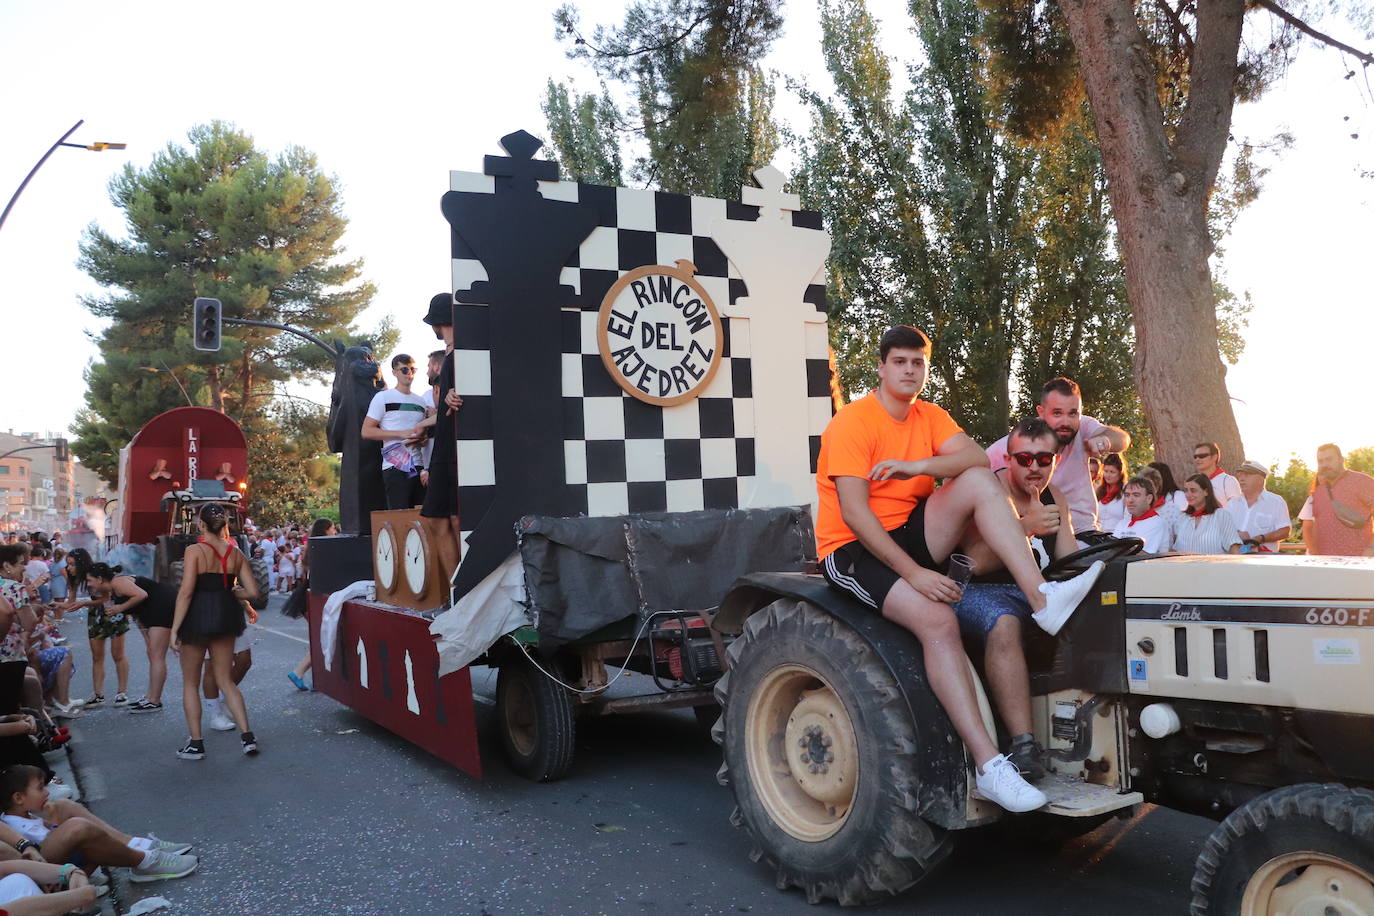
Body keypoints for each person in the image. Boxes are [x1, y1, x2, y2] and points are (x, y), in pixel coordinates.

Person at [816, 326, 1106, 813]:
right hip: (855, 548)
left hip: (911, 527)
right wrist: (914, 574)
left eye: (918, 363)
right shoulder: (852, 422)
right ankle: (992, 765)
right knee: (938, 619)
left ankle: (1043, 598)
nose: (911, 371)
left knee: (974, 478)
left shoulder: (929, 415)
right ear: (883, 367)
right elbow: (855, 513)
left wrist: (918, 468)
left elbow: (974, 457)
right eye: (901, 362)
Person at [949, 417, 1081, 781]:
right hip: (978, 591)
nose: (1034, 467)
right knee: (1003, 621)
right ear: (1008, 459)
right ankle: (1023, 745)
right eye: (1024, 459)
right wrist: (1025, 526)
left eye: (1044, 459)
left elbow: (1068, 561)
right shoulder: (991, 491)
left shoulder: (1057, 497)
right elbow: (972, 561)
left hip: (1036, 592)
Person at [170, 504, 261, 759]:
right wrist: (233, 592)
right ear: (225, 525)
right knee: (225, 679)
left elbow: (186, 591)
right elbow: (252, 592)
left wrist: (174, 629)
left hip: (197, 617)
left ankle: (196, 744)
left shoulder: (194, 551)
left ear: (201, 525)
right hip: (226, 616)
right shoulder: (236, 553)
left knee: (190, 682)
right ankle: (247, 737)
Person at [0, 765, 195, 883]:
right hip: (37, 868)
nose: (47, 792)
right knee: (78, 826)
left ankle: (137, 845)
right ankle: (144, 861)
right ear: (18, 798)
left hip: (53, 858)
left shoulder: (26, 817)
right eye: (40, 788)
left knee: (64, 807)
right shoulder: (12, 824)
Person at [986, 377, 1130, 534]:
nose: (1065, 422)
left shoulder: (1082, 429)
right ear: (1041, 412)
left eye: (1073, 413)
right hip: (1037, 537)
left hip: (1085, 533)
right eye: (1057, 413)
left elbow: (1123, 439)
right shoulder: (1008, 448)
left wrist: (1105, 441)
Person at [83, 564, 175, 713]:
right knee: (152, 653)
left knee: (157, 656)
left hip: (162, 605)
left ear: (100, 579)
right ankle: (150, 697)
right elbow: (136, 613)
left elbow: (141, 595)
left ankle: (154, 700)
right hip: (154, 610)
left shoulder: (117, 583)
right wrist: (146, 636)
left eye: (89, 580)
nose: (88, 584)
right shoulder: (112, 591)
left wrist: (120, 608)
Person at [417, 293, 463, 581]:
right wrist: (423, 427)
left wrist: (454, 394)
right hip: (444, 448)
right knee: (437, 518)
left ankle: (465, 593)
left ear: (437, 322)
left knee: (458, 520)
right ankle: (457, 592)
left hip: (459, 449)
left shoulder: (464, 353)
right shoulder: (449, 355)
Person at [363, 354, 430, 510]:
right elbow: (366, 431)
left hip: (418, 466)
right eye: (404, 370)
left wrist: (420, 438)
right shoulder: (383, 397)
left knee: (421, 517)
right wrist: (400, 434)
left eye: (413, 369)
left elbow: (423, 436)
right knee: (400, 518)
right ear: (395, 372)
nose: (410, 374)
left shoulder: (421, 401)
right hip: (395, 464)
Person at [285, 518, 335, 692]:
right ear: (326, 530)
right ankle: (299, 672)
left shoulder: (313, 547)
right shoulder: (324, 548)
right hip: (314, 597)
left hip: (307, 595)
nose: (335, 531)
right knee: (322, 639)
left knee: (321, 638)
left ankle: (314, 678)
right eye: (333, 528)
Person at [1300, 443, 1374, 556]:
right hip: (1324, 564)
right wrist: (1315, 555)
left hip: (1358, 561)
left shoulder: (1362, 482)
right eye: (1320, 461)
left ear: (1341, 460)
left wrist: (1371, 548)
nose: (1324, 464)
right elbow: (1310, 528)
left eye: (1329, 459)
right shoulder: (1318, 491)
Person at [1222, 460, 1291, 554]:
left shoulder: (1276, 502)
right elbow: (1221, 529)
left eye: (1247, 474)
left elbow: (1285, 531)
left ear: (1260, 478)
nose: (1241, 478)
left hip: (1263, 561)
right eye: (1240, 474)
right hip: (1234, 559)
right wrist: (1235, 535)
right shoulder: (1232, 504)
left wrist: (1261, 538)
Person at [1170, 474, 1241, 554]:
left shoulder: (1221, 515)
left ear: (1206, 492)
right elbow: (1176, 551)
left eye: (1193, 490)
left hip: (1214, 566)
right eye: (1186, 490)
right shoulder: (1182, 518)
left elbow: (1234, 548)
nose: (1188, 494)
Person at [1111, 476, 1171, 553]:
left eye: (1136, 495)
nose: (1130, 500)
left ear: (1149, 498)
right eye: (1127, 495)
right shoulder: (1122, 523)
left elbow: (1142, 554)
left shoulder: (1156, 523)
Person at [1191, 442, 1241, 507]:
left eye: (1202, 456)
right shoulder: (1194, 483)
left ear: (1214, 457)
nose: (1197, 459)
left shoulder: (1228, 481)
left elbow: (1236, 511)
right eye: (1195, 457)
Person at [1096, 454, 1127, 533]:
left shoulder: (1126, 491)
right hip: (1098, 536)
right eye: (1106, 471)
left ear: (1120, 474)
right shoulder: (1099, 490)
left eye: (1112, 472)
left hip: (1117, 536)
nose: (1108, 475)